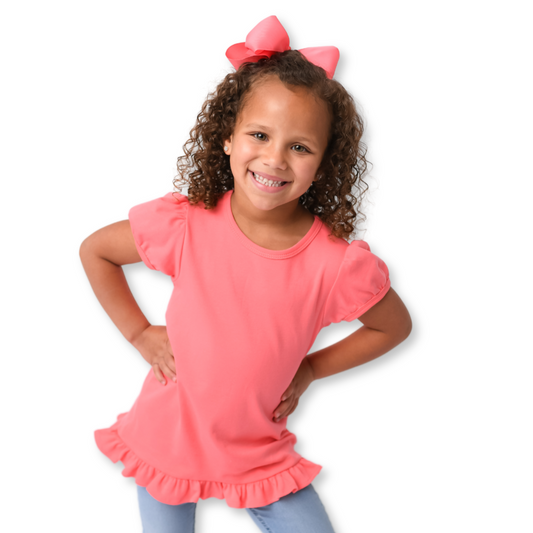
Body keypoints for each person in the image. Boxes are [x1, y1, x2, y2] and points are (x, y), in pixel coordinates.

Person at [79, 15, 412, 533]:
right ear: (228, 139)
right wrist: (140, 332)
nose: (275, 159)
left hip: (258, 454)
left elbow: (392, 326)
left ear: (323, 164)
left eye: (300, 147)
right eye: (259, 135)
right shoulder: (186, 225)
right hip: (167, 438)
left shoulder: (335, 264)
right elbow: (97, 251)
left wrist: (311, 369)